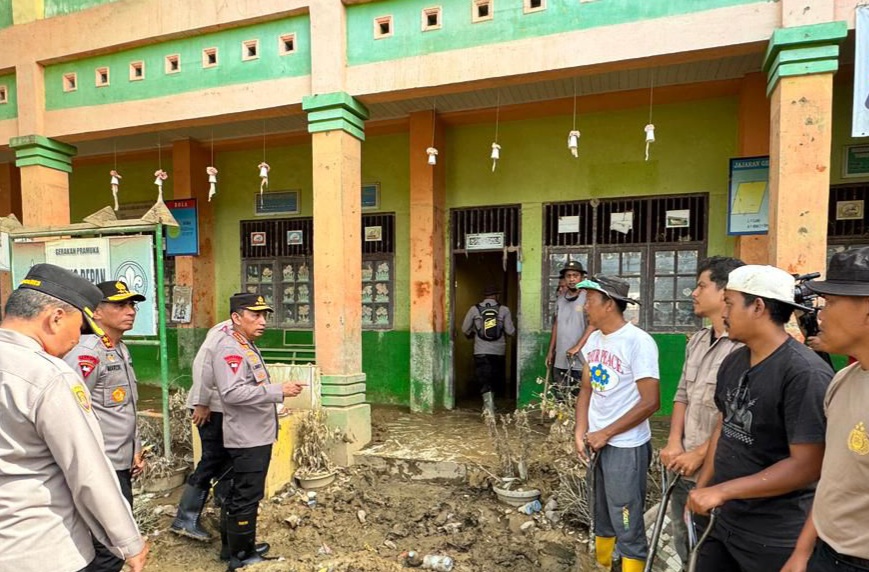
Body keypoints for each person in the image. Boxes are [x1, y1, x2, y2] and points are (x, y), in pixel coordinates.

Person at [0, 264, 147, 572]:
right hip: (40, 546)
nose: (78, 339)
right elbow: (87, 469)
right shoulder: (49, 376)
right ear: (55, 318)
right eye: (80, 327)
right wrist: (128, 541)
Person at [688, 265, 833, 572]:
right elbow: (724, 425)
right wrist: (704, 484)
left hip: (772, 535)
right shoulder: (735, 359)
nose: (724, 312)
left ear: (757, 306)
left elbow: (806, 465)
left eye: (729, 303)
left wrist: (722, 491)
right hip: (722, 520)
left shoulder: (804, 374)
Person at [782, 247, 869, 572]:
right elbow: (832, 480)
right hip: (825, 552)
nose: (820, 315)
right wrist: (802, 553)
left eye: (831, 303)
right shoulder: (843, 380)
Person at [659, 256, 744, 569]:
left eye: (701, 286)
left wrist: (701, 453)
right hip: (681, 463)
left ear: (724, 292)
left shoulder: (742, 348)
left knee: (711, 545)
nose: (693, 293)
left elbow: (735, 414)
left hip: (716, 468)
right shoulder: (696, 340)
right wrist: (673, 442)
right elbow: (682, 395)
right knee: (683, 536)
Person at [574, 275, 660, 572]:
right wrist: (579, 431)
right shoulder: (595, 340)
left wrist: (606, 433)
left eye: (590, 301)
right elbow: (586, 389)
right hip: (596, 442)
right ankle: (602, 565)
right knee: (601, 516)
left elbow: (651, 402)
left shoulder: (639, 342)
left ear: (609, 304)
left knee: (626, 518)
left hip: (626, 447)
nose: (585, 307)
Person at [213, 293, 305, 569]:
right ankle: (241, 557)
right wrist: (279, 390)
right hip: (247, 437)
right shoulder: (230, 350)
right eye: (255, 315)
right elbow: (231, 393)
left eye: (264, 315)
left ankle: (236, 547)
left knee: (241, 493)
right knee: (246, 496)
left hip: (255, 433)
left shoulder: (246, 346)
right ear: (236, 318)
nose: (262, 321)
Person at [63, 280, 146, 572]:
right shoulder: (86, 353)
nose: (130, 311)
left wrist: (134, 448)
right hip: (100, 465)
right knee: (111, 546)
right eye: (120, 305)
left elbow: (125, 408)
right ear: (95, 312)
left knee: (113, 543)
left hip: (118, 461)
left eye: (132, 304)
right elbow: (70, 413)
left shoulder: (118, 348)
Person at [461, 283, 516, 415]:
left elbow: (464, 329)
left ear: (484, 296)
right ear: (497, 295)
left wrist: (473, 333)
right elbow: (510, 331)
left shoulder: (474, 309)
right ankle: (492, 406)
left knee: (484, 378)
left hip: (480, 350)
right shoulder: (504, 310)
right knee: (494, 378)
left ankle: (488, 406)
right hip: (498, 351)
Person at [548, 260, 595, 398]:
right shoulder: (561, 299)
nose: (572, 279)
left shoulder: (588, 298)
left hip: (580, 360)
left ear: (581, 278)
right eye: (568, 276)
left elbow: (593, 325)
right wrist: (551, 351)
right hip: (561, 357)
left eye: (575, 275)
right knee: (561, 397)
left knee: (579, 397)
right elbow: (556, 324)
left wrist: (577, 347)